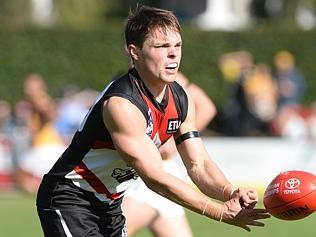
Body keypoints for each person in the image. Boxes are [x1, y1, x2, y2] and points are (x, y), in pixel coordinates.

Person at [36, 5, 270, 237]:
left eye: (177, 46)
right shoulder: (122, 105)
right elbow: (155, 177)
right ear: (134, 52)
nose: (173, 54)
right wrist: (218, 211)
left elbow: (198, 164)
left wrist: (230, 192)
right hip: (70, 197)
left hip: (110, 205)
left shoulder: (181, 98)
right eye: (162, 46)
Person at [122, 71, 217, 237]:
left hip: (154, 175)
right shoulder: (125, 80)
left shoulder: (168, 77)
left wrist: (173, 142)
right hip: (145, 174)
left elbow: (207, 107)